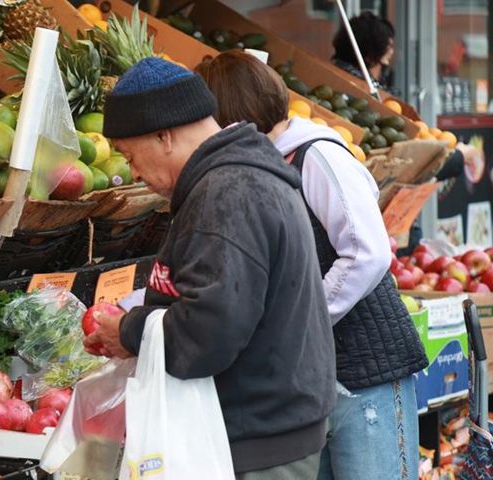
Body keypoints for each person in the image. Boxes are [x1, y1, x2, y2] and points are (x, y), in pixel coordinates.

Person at [83, 57, 337, 479]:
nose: (133, 172)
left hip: (255, 442)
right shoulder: (235, 179)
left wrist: (128, 332)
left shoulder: (228, 192)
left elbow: (209, 332)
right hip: (260, 430)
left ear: (164, 136)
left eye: (131, 156)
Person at [195, 50, 429, 480]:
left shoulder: (317, 156)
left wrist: (305, 317)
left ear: (229, 114)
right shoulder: (260, 166)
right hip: (312, 383)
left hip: (364, 372)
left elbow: (367, 251)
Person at [333, 12, 478, 255]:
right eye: (387, 54)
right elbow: (413, 159)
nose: (391, 60)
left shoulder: (333, 83)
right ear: (372, 57)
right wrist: (460, 157)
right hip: (375, 223)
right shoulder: (370, 101)